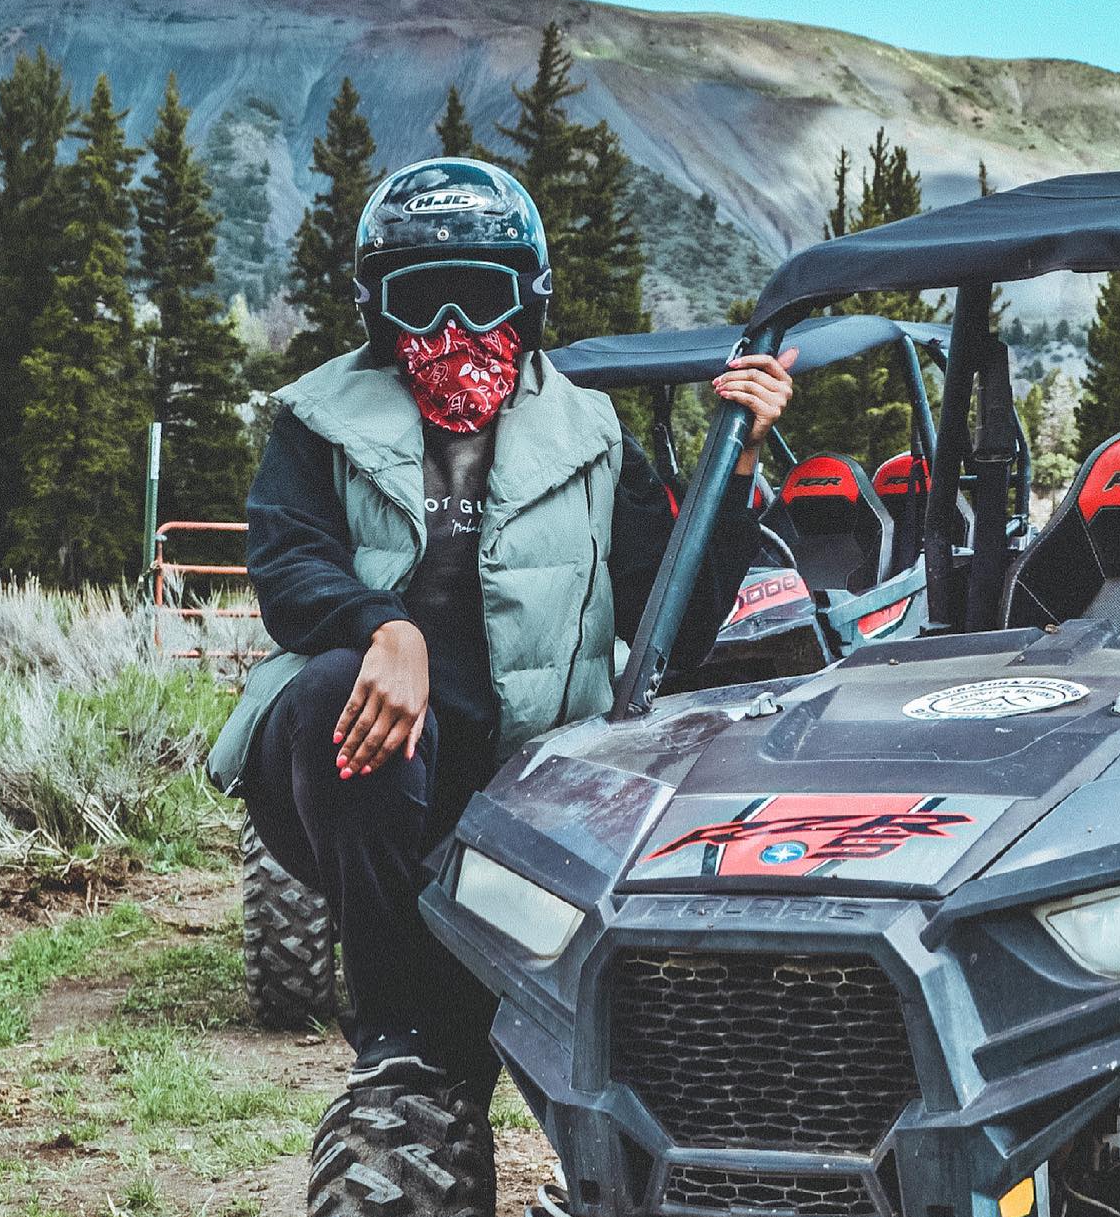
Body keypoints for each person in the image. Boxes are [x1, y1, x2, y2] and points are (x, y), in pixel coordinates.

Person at [209, 157, 794, 1106]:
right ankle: (392, 1027)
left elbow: (671, 627)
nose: (453, 332)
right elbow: (286, 565)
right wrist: (383, 627)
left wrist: (735, 473)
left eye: (479, 300)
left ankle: (583, 1156)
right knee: (327, 690)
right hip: (362, 767)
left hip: (530, 772)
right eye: (421, 301)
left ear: (526, 303)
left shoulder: (593, 437)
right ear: (376, 310)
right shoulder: (317, 421)